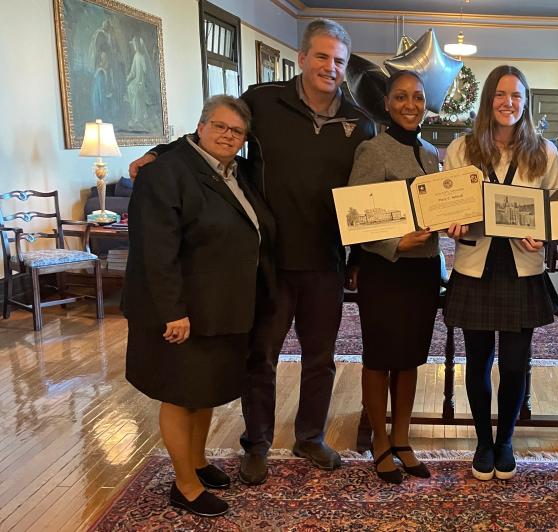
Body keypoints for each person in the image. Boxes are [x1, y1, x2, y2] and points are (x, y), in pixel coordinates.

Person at [128, 18, 377, 484]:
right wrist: (162, 152)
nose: (330, 67)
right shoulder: (262, 101)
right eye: (321, 56)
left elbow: (367, 193)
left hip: (327, 262)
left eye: (338, 61)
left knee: (320, 359)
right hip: (267, 263)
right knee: (260, 356)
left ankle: (309, 437)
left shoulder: (360, 123)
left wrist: (358, 258)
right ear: (302, 58)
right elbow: (218, 135)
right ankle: (257, 442)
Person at [123, 95, 276, 517]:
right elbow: (156, 250)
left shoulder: (236, 172)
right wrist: (173, 311)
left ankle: (197, 461)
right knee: (179, 393)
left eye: (237, 131)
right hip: (181, 309)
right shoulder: (166, 174)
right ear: (201, 127)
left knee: (204, 390)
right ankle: (184, 485)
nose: (228, 135)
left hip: (221, 305)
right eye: (220, 126)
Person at [443, 65, 558, 481]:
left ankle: (506, 439)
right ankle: (482, 441)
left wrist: (543, 237)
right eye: (499, 94)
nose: (507, 102)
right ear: (487, 100)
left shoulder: (544, 152)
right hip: (476, 266)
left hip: (521, 270)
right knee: (477, 362)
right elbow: (449, 204)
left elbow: (554, 212)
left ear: (526, 101)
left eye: (515, 95)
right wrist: (450, 224)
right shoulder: (461, 149)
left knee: (515, 364)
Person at [346, 70, 440, 484]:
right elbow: (356, 218)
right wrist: (394, 244)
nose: (410, 105)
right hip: (385, 269)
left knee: (410, 358)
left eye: (417, 97)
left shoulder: (433, 153)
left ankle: (403, 439)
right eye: (401, 97)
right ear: (386, 103)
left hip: (423, 271)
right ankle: (380, 441)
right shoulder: (373, 150)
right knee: (381, 357)